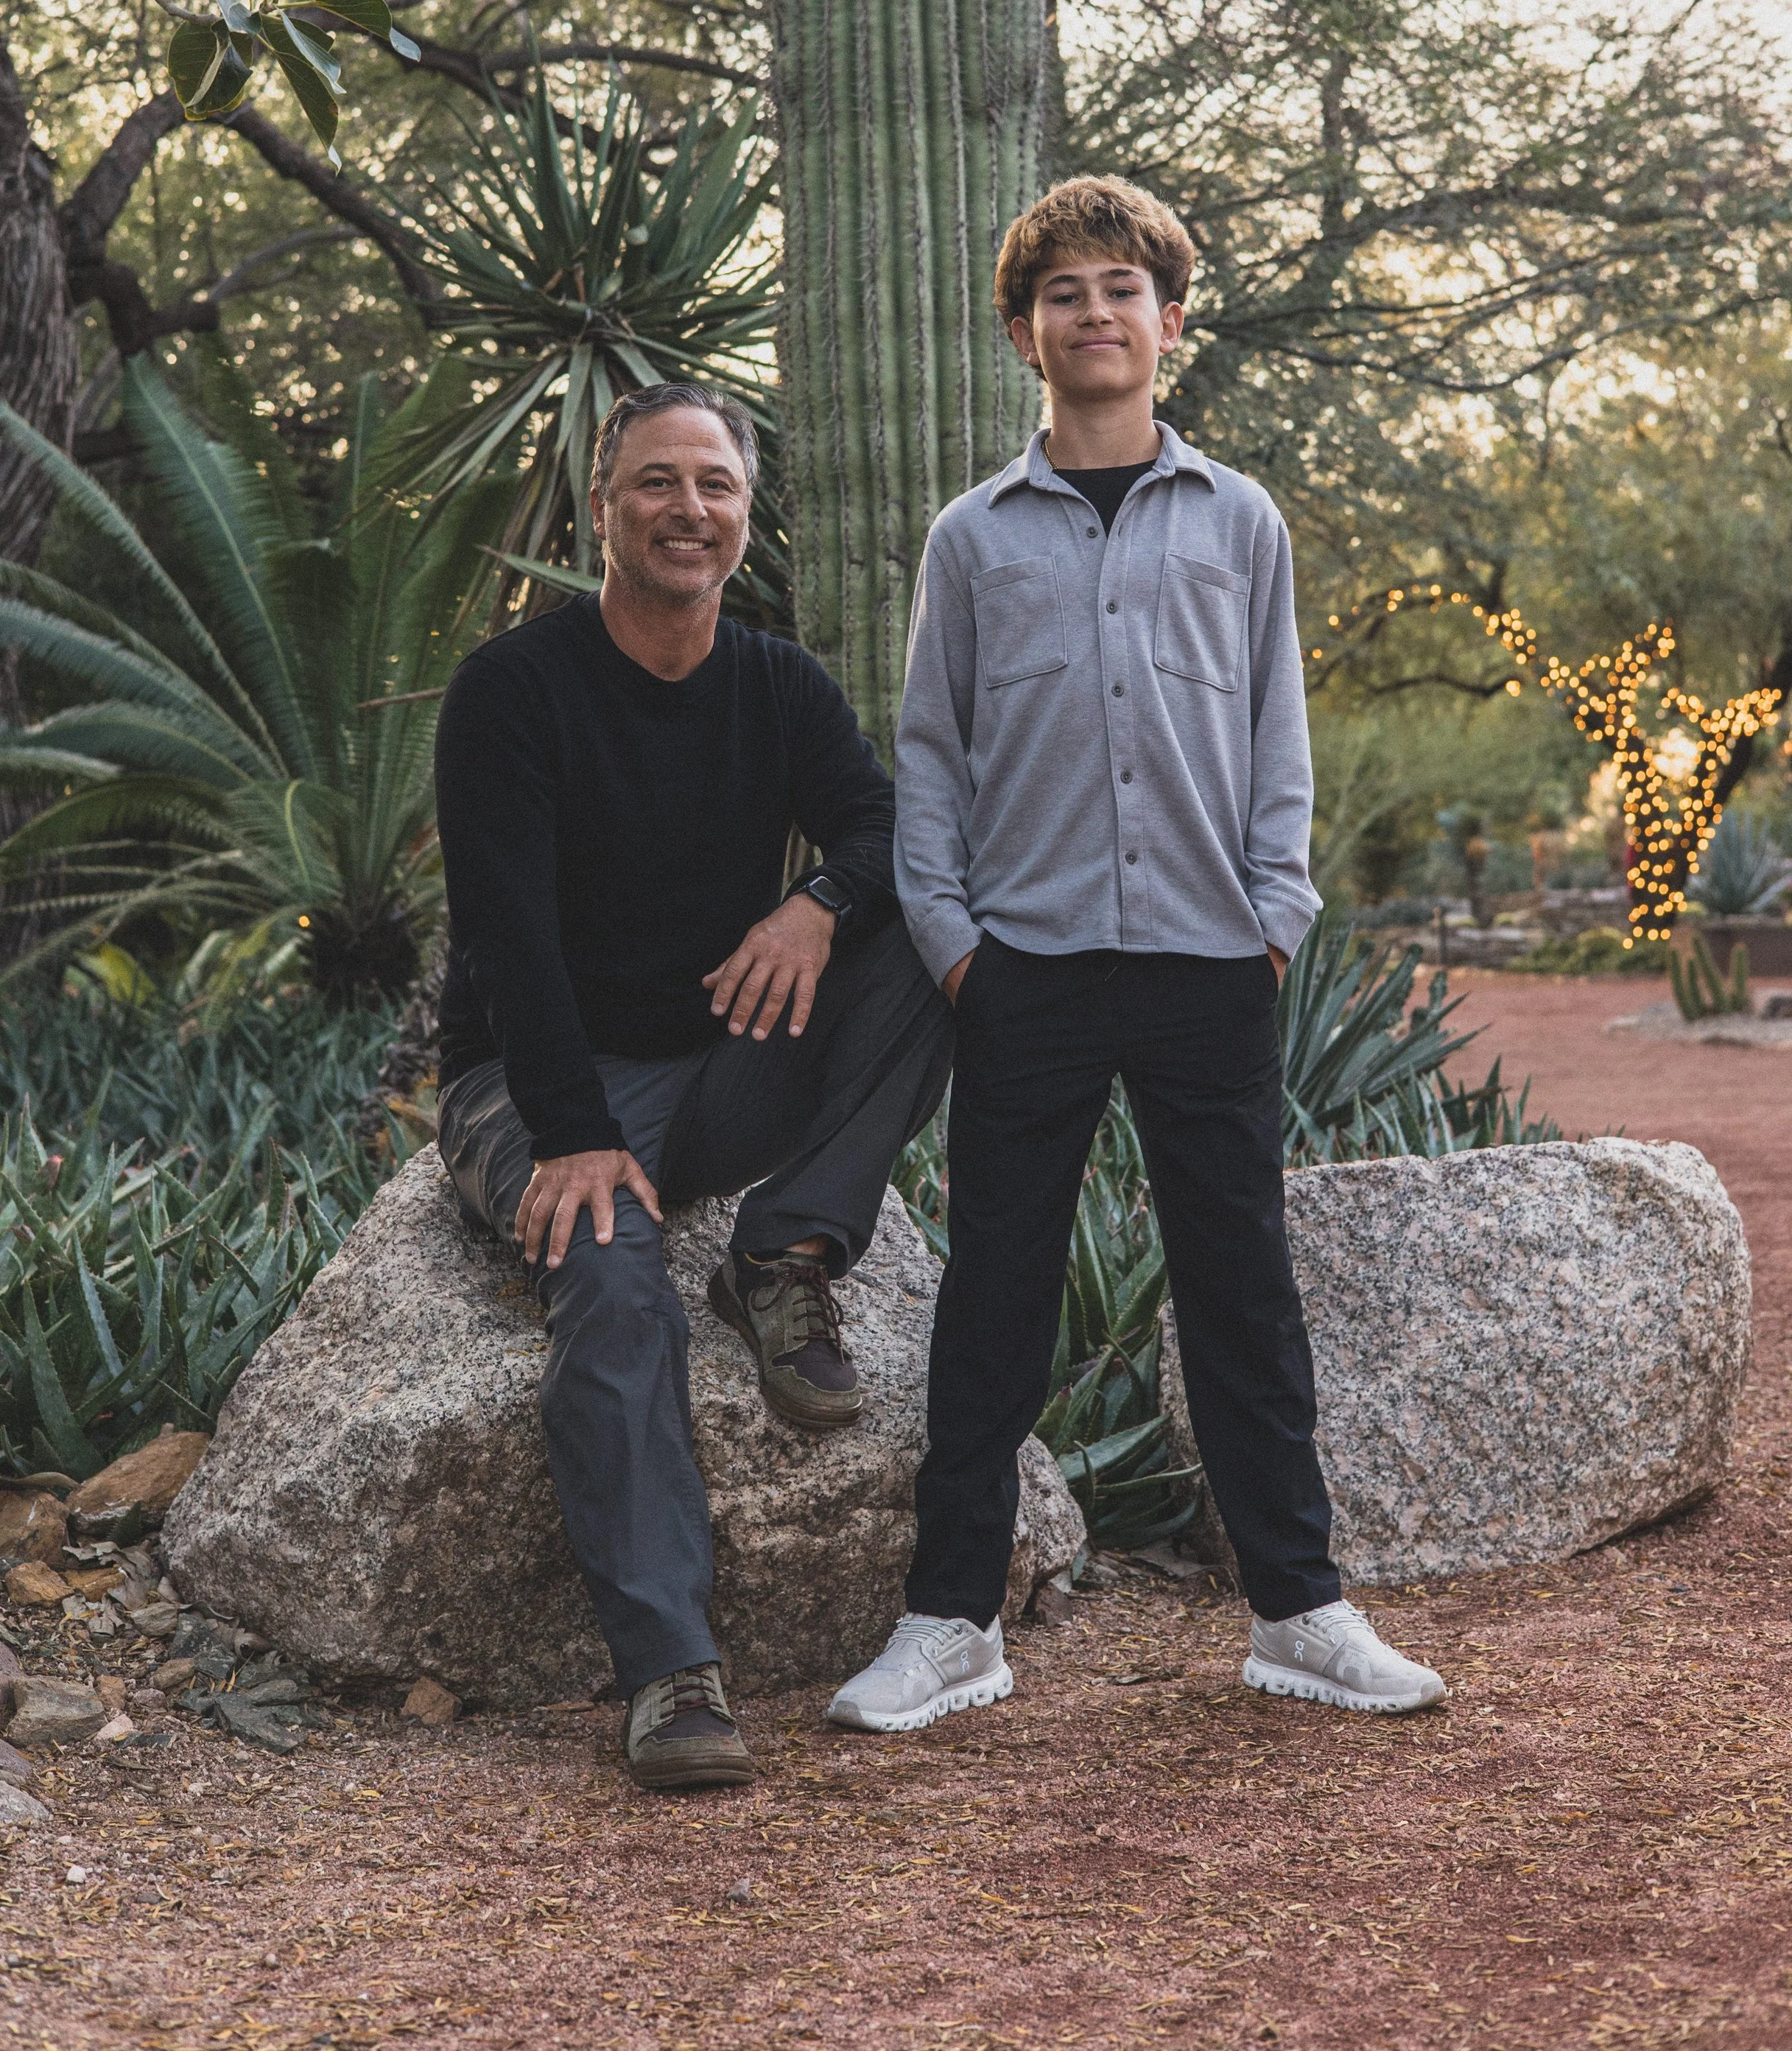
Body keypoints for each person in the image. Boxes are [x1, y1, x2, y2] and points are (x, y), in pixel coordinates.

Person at [829, 176, 1445, 1733]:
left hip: (1203, 965)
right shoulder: (970, 541)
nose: (1091, 315)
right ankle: (947, 1623)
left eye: (1120, 290)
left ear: (1168, 325)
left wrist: (1271, 921)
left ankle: (1298, 1613)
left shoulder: (1238, 521)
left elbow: (1272, 740)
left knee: (1240, 1291)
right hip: (1022, 969)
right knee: (995, 1300)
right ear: (1021, 334)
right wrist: (959, 949)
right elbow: (933, 764)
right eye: (1061, 294)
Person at [434, 382, 954, 1790]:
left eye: (715, 485)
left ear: (744, 515)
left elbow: (886, 830)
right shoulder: (513, 691)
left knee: (932, 929)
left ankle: (785, 1250)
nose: (688, 510)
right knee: (611, 1281)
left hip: (719, 1062)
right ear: (602, 510)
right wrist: (576, 1135)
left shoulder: (777, 684)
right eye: (656, 483)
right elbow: (507, 937)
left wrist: (818, 905)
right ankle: (670, 1669)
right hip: (531, 1080)